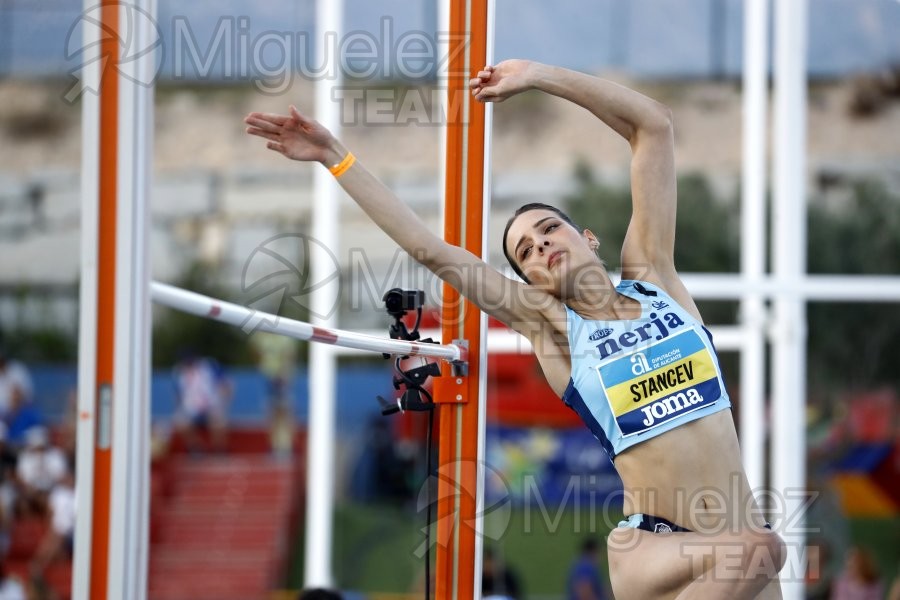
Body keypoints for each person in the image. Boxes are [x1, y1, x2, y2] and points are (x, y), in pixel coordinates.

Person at [245, 59, 786, 599]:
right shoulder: (553, 328)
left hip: (735, 549)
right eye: (526, 251)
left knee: (758, 549)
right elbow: (431, 250)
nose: (543, 245)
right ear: (529, 280)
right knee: (765, 547)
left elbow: (654, 126)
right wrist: (335, 157)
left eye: (550, 229)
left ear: (589, 238)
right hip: (659, 549)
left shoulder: (655, 279)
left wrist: (537, 76)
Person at [172, 351, 232, 454]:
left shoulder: (209, 366)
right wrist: (180, 409)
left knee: (218, 418)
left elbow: (224, 384)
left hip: (212, 403)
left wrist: (223, 403)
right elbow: (178, 394)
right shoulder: (178, 372)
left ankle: (219, 448)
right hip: (191, 407)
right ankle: (195, 448)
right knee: (180, 422)